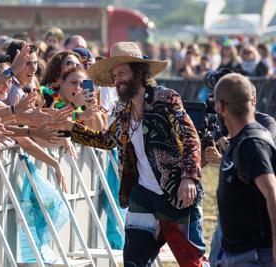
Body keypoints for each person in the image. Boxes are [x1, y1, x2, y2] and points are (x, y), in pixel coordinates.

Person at [59, 42, 206, 266]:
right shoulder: (122, 109)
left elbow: (189, 136)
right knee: (133, 262)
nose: (117, 79)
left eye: (122, 73)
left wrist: (189, 176)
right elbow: (108, 140)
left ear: (138, 73)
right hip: (142, 197)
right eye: (114, 75)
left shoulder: (166, 99)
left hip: (175, 194)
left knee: (192, 262)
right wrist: (72, 129)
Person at [214, 73, 276, 266]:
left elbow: (272, 192)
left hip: (254, 255)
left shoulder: (251, 143)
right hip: (235, 253)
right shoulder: (238, 140)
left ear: (220, 107)